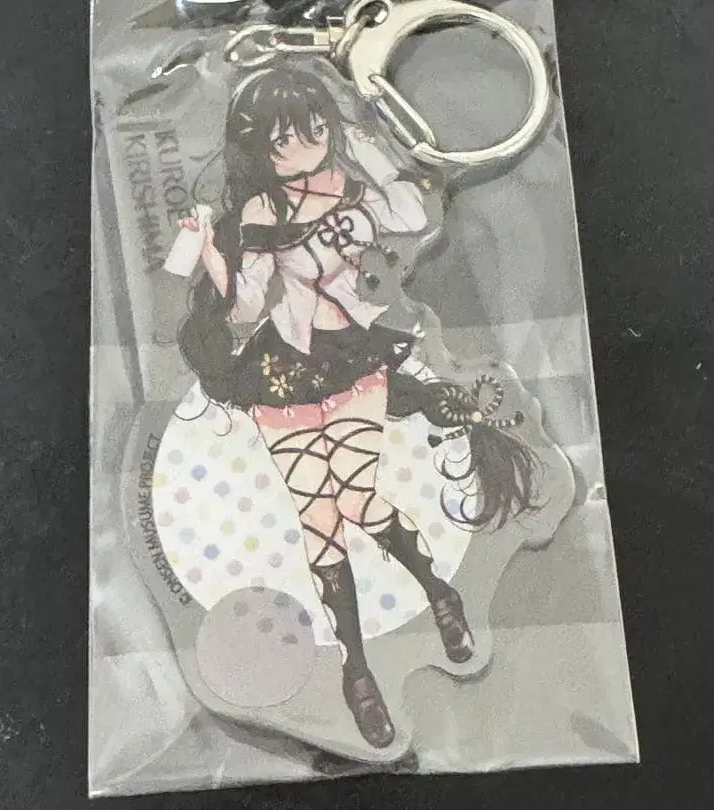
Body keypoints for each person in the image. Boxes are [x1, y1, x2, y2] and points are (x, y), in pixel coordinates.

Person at [176, 65, 534, 748]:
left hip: (352, 359)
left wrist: (368, 143)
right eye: (284, 139)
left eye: (315, 128)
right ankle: (357, 672)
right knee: (317, 517)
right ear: (258, 149)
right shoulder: (260, 214)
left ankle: (439, 595)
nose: (306, 145)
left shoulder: (355, 188)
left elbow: (414, 214)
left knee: (359, 499)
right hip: (280, 371)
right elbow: (247, 309)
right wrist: (219, 266)